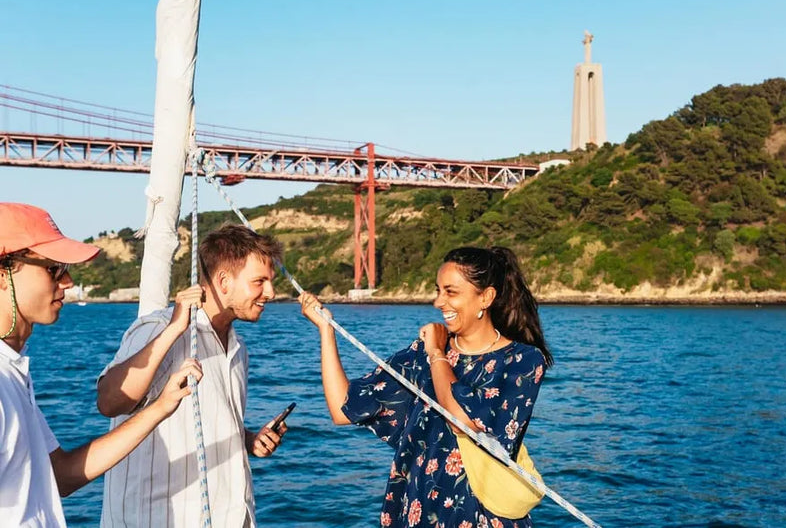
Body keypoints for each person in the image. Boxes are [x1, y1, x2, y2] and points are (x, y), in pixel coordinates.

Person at [300, 246, 553, 528]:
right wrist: (326, 331)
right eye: (438, 291)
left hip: (483, 516)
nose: (438, 302)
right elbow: (342, 409)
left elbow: (461, 421)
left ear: (486, 297)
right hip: (419, 511)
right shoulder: (422, 354)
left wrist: (436, 353)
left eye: (450, 292)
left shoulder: (522, 360)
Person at [0, 202, 203, 528]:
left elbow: (62, 475)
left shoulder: (12, 373)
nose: (67, 281)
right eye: (54, 268)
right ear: (2, 273)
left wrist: (161, 406)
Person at [97, 224, 287, 527]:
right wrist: (174, 329)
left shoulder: (238, 349)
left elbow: (208, 423)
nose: (271, 292)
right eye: (259, 282)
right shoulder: (158, 329)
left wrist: (250, 440)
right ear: (223, 281)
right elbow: (109, 401)